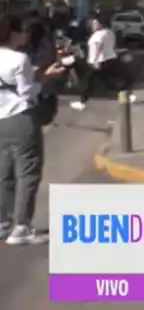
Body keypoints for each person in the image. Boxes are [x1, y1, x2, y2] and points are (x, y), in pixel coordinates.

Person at [0, 13, 67, 244]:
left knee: (4, 172)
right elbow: (28, 93)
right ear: (12, 34)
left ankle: (3, 222)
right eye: (21, 32)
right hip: (21, 118)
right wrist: (45, 79)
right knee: (28, 172)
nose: (25, 36)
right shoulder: (19, 59)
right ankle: (21, 228)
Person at [71, 16, 123, 111]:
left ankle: (82, 102)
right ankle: (123, 98)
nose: (93, 26)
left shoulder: (97, 36)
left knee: (87, 82)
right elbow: (113, 45)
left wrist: (94, 61)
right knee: (109, 82)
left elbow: (97, 49)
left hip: (99, 61)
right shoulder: (109, 33)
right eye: (92, 24)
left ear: (100, 25)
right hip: (111, 59)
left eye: (95, 24)